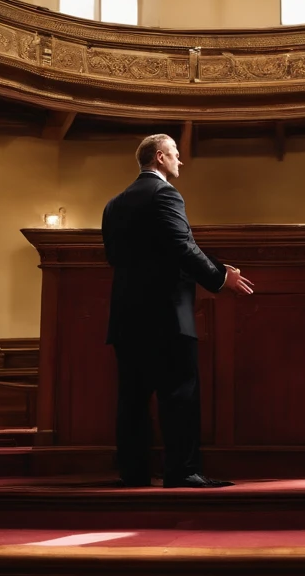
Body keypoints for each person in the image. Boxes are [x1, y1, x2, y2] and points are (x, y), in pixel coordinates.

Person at [102, 133, 253, 488]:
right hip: (167, 316)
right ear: (159, 157)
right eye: (175, 155)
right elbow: (182, 247)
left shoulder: (114, 204)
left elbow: (117, 257)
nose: (179, 161)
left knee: (132, 400)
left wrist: (218, 267)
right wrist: (220, 280)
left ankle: (134, 474)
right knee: (179, 396)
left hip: (126, 319)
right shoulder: (165, 194)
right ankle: (182, 472)